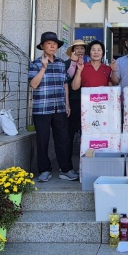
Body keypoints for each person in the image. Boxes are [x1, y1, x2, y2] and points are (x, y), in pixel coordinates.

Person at [28, 31, 79, 183]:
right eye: (49, 43)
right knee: (42, 140)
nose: (52, 46)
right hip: (42, 108)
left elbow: (65, 84)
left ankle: (66, 169)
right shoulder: (35, 63)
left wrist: (67, 104)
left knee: (63, 139)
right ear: (42, 46)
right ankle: (44, 170)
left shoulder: (61, 63)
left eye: (55, 44)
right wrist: (43, 68)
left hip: (60, 108)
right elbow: (33, 84)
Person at [64, 39, 88, 153]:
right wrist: (74, 63)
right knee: (70, 131)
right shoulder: (66, 63)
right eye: (77, 48)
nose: (80, 51)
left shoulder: (87, 64)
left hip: (86, 101)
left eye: (82, 48)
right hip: (72, 100)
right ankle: (66, 160)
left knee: (85, 131)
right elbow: (67, 78)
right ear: (73, 51)